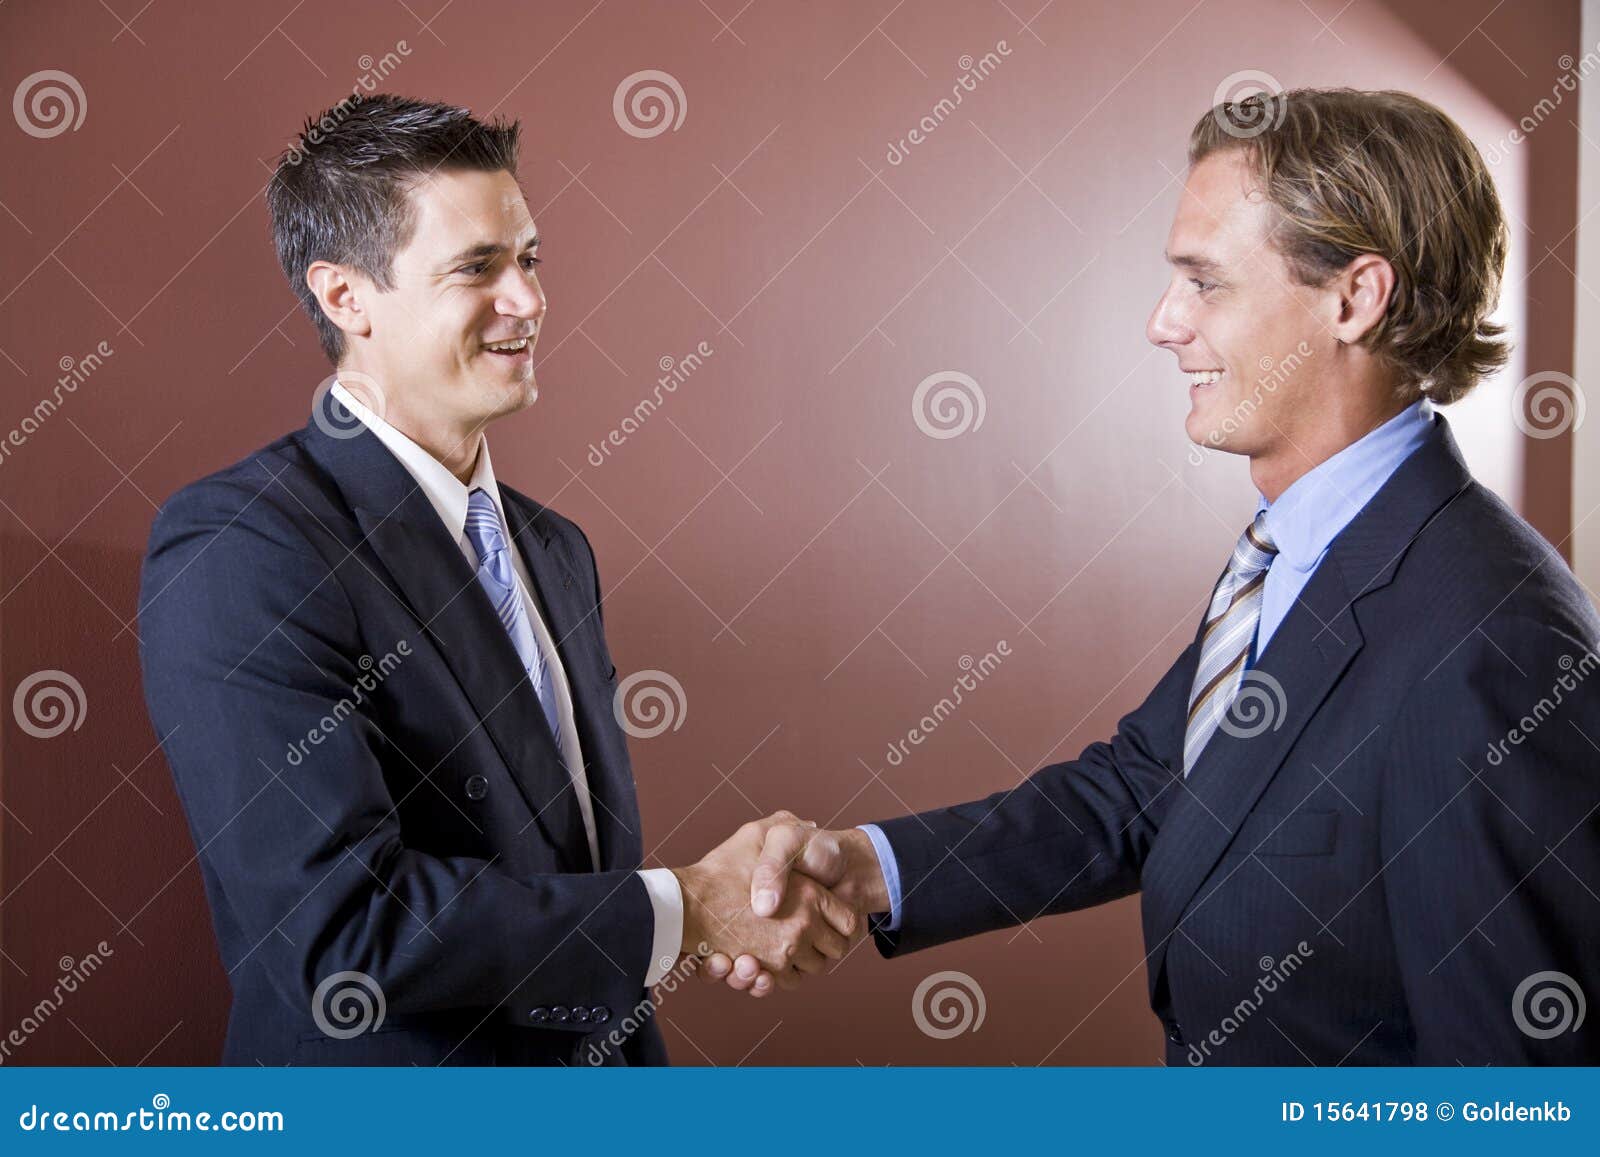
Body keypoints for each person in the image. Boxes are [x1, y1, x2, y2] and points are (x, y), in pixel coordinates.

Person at [727, 88, 1600, 1065]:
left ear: (1354, 297)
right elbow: (1149, 783)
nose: (1162, 322)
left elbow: (1521, 1096)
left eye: (1204, 281)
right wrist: (868, 870)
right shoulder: (1298, 547)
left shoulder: (1496, 644)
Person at [138, 94, 848, 1066]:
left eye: (530, 259)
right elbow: (346, 935)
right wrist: (695, 908)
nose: (528, 299)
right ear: (347, 297)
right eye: (478, 268)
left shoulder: (556, 550)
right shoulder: (244, 545)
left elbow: (571, 872)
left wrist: (722, 913)